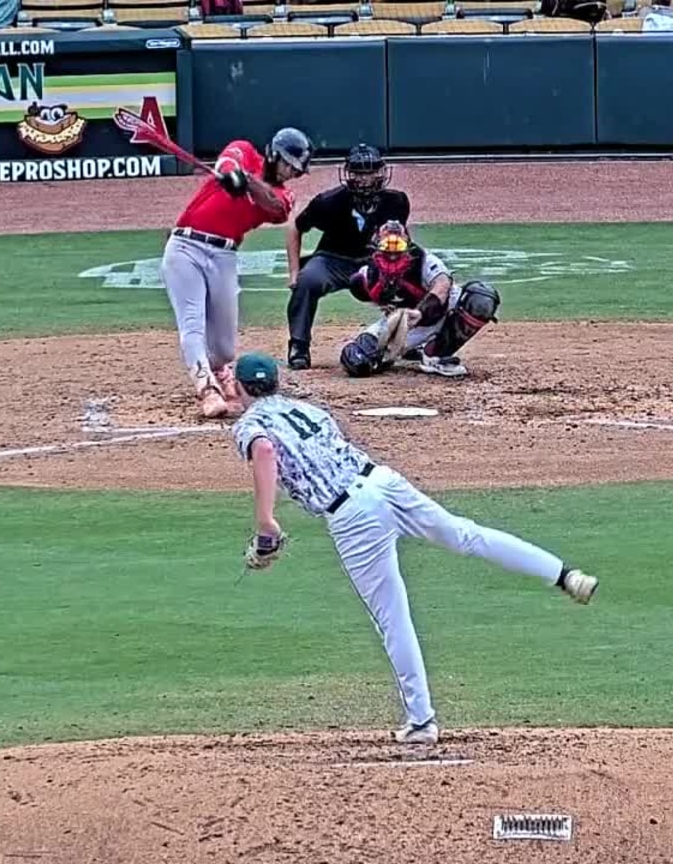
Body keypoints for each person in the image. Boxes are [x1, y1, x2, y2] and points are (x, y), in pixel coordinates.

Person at [228, 351, 597, 744]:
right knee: (464, 534)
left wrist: (266, 523)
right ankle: (565, 575)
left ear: (239, 386)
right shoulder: (308, 409)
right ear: (275, 383)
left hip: (353, 517)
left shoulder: (249, 424)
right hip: (383, 482)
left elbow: (266, 451)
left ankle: (422, 721)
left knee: (391, 615)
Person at [162, 127, 312, 419]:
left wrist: (248, 183)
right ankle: (207, 389)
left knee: (224, 348)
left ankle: (218, 368)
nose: (291, 174)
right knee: (192, 323)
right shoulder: (244, 149)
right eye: (289, 166)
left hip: (224, 255)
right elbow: (227, 163)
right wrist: (234, 175)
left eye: (296, 170)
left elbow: (275, 206)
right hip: (185, 247)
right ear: (273, 155)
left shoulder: (285, 195)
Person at [284, 143, 411, 371]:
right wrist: (294, 271)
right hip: (333, 259)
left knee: (411, 276)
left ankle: (410, 341)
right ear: (349, 174)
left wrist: (398, 270)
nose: (365, 179)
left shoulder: (397, 202)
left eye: (370, 172)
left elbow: (403, 240)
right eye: (359, 173)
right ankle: (299, 346)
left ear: (380, 172)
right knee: (307, 280)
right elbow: (296, 227)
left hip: (373, 262)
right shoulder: (329, 202)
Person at [336, 220, 500, 379]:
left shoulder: (426, 261)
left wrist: (420, 312)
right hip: (402, 323)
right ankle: (407, 349)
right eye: (387, 246)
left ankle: (435, 355)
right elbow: (372, 296)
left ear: (408, 244)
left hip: (444, 311)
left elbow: (442, 286)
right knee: (356, 360)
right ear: (376, 244)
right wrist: (389, 313)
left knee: (482, 299)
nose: (392, 253)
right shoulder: (365, 276)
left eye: (398, 245)